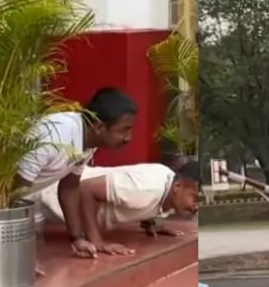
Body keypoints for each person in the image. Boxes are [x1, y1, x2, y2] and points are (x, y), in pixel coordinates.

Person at [16, 87, 138, 261]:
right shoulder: (54, 136)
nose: (128, 137)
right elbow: (13, 193)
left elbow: (69, 187)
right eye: (123, 130)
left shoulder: (88, 138)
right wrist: (19, 259)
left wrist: (77, 239)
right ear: (99, 127)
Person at [32, 161, 200, 238]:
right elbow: (86, 188)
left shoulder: (167, 183)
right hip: (46, 196)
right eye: (195, 198)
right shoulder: (147, 188)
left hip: (58, 194)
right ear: (178, 186)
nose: (196, 206)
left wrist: (150, 222)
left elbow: (143, 200)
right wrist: (96, 240)